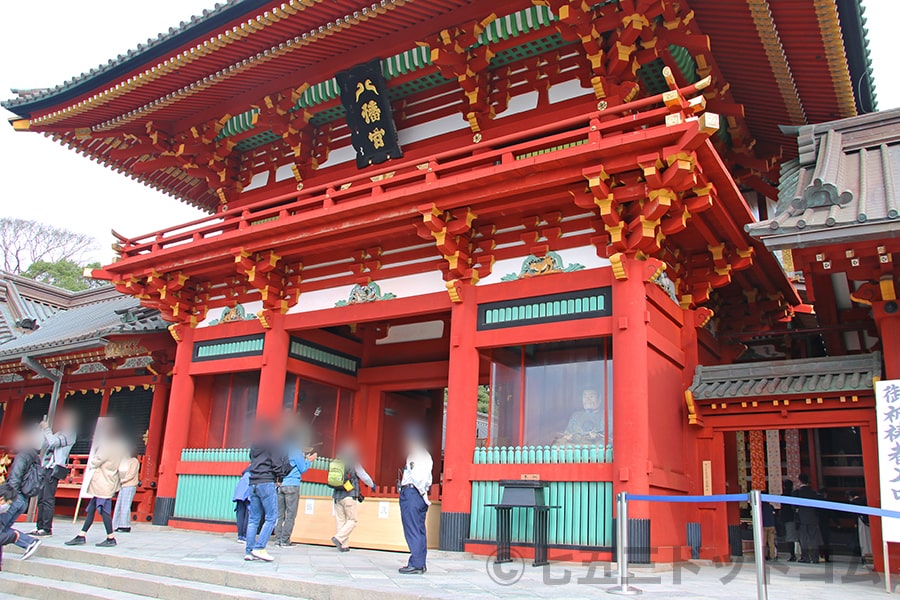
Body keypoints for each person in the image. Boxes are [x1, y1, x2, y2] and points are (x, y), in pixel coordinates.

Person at [65, 421, 126, 548]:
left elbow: (97, 461)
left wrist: (92, 459)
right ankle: (81, 535)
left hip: (102, 481)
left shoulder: (107, 446)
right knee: (92, 509)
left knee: (104, 511)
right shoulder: (122, 447)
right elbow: (124, 466)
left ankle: (111, 537)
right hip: (111, 479)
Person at [244, 421, 290, 562]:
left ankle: (249, 551)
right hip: (266, 481)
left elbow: (251, 459)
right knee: (271, 517)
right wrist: (280, 477)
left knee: (253, 519)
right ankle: (260, 548)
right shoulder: (273, 442)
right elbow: (276, 462)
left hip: (253, 482)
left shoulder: (255, 444)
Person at [31, 409, 77, 537]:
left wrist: (47, 430)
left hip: (54, 469)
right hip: (45, 467)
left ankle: (46, 528)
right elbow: (41, 444)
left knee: (48, 499)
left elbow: (53, 442)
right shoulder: (58, 433)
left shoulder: (70, 433)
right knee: (41, 499)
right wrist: (41, 431)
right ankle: (39, 526)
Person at [398, 424, 433, 575]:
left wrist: (422, 494)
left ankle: (416, 563)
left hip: (412, 493)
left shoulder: (415, 455)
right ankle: (420, 562)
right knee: (418, 529)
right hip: (417, 494)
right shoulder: (425, 454)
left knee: (412, 529)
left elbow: (418, 478)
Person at [330, 440, 375, 552]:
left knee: (341, 520)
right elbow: (363, 476)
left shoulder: (337, 461)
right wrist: (372, 484)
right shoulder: (353, 462)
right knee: (352, 520)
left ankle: (344, 546)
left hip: (337, 495)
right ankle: (339, 538)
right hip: (349, 495)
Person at [0, 426, 43, 532]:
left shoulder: (22, 456)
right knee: (4, 531)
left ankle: (28, 542)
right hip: (24, 500)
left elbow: (16, 477)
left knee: (2, 529)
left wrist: (8, 497)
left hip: (14, 497)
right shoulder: (35, 456)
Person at [274, 444, 315, 547]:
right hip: (292, 485)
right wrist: (309, 460)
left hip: (280, 485)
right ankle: (285, 540)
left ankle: (277, 539)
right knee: (290, 515)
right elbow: (302, 469)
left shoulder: (281, 450)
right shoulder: (296, 452)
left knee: (279, 515)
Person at [0, 483, 41, 567]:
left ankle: (29, 541)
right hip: (20, 495)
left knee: (2, 529)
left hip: (15, 493)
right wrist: (13, 536)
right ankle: (28, 541)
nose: (7, 507)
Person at [794, 473, 822, 563]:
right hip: (812, 517)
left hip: (801, 518)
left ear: (799, 481)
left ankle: (805, 557)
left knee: (803, 538)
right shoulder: (813, 492)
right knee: (813, 538)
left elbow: (793, 506)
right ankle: (815, 557)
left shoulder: (797, 493)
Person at [113, 449, 140, 533]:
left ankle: (125, 525)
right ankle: (116, 525)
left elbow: (132, 474)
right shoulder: (125, 461)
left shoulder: (134, 461)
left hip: (130, 485)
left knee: (125, 505)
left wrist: (122, 480)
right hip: (122, 485)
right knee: (119, 505)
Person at [847, 490, 872, 562]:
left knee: (863, 539)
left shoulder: (854, 503)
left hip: (861, 522)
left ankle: (865, 555)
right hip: (868, 522)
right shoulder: (864, 500)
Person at [778, 479, 799, 561]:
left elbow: (783, 509)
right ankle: (805, 555)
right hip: (797, 517)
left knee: (790, 538)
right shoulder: (795, 494)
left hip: (788, 518)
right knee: (800, 537)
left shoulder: (784, 496)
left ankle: (792, 555)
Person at [234, 467, 251, 544]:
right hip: (248, 493)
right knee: (247, 514)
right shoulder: (257, 469)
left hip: (239, 494)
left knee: (240, 514)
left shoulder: (245, 473)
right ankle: (244, 536)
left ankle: (240, 535)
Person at [761, 494, 777, 560]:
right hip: (771, 526)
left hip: (764, 526)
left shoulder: (760, 507)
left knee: (763, 542)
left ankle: (763, 556)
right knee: (771, 542)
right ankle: (772, 556)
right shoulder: (771, 506)